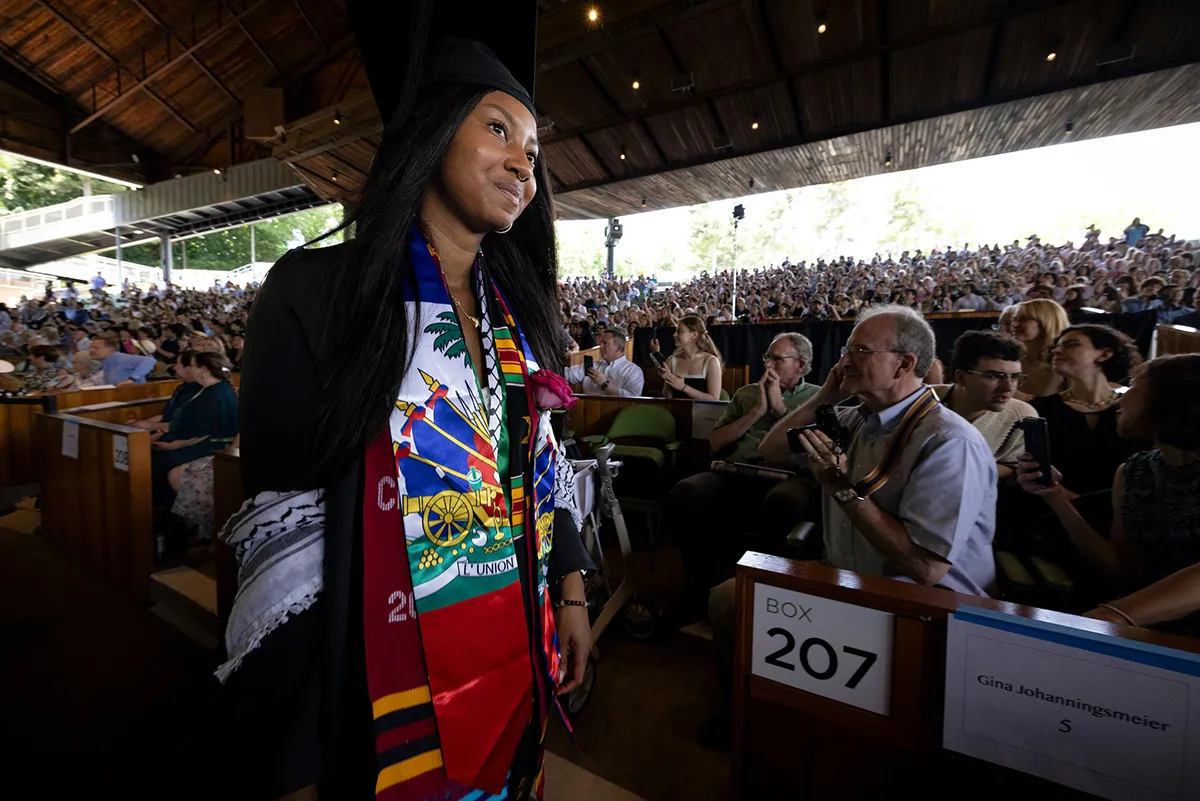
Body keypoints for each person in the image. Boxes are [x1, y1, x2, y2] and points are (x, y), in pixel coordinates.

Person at [220, 28, 593, 801]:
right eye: (498, 128)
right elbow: (284, 538)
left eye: (533, 148)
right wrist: (294, 760)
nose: (525, 162)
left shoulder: (516, 320)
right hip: (376, 684)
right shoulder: (317, 294)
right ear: (431, 130)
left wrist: (572, 590)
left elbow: (539, 474)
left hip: (516, 656)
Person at [760, 305, 998, 596]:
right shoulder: (853, 420)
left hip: (925, 604)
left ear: (904, 364)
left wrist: (842, 489)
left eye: (860, 351)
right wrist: (826, 396)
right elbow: (771, 450)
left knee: (735, 602)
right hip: (852, 584)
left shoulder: (950, 441)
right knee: (732, 599)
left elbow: (925, 568)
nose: (843, 362)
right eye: (845, 351)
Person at [1019, 355, 1200, 636]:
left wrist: (1114, 615)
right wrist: (1055, 497)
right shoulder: (1134, 472)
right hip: (1148, 629)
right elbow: (1123, 571)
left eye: (1132, 387)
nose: (1118, 399)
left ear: (1170, 398)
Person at [668, 333, 821, 607]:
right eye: (767, 357)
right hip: (739, 469)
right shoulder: (746, 393)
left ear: (801, 364)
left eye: (778, 359)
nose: (769, 365)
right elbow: (716, 442)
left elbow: (810, 451)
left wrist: (779, 409)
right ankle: (698, 582)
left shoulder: (817, 398)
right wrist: (758, 410)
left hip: (789, 474)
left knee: (782, 503)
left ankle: (769, 592)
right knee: (688, 491)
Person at [1031, 324, 1144, 497]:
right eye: (1057, 346)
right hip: (1055, 509)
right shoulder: (1041, 408)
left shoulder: (1132, 406)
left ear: (1104, 354)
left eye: (1071, 344)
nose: (1057, 351)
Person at [932, 331, 1036, 479]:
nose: (1008, 387)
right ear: (960, 377)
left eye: (1015, 377)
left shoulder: (1021, 416)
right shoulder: (921, 401)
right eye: (994, 376)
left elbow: (1013, 466)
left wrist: (960, 472)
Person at [151, 349, 238, 504]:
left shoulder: (215, 393)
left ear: (204, 369)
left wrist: (173, 446)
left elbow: (204, 432)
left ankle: (167, 510)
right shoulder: (209, 389)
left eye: (192, 366)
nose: (190, 369)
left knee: (164, 461)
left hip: (215, 443)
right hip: (203, 439)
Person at [653, 314, 724, 400]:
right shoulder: (672, 360)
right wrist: (668, 379)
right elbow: (667, 397)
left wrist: (683, 387)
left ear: (694, 335)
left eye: (679, 331)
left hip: (702, 412)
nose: (674, 335)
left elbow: (714, 399)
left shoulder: (711, 361)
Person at [1009, 299, 1069, 398]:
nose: (1014, 325)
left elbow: (1044, 405)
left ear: (1046, 322)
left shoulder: (1058, 364)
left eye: (1024, 319)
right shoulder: (1018, 357)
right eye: (1014, 320)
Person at [563, 328, 642, 396]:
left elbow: (633, 398)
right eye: (600, 343)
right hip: (586, 409)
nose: (600, 347)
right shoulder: (593, 365)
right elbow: (567, 374)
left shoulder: (633, 371)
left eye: (605, 343)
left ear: (618, 348)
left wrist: (605, 384)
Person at [88, 332, 156, 385]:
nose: (91, 350)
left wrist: (132, 379)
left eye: (95, 348)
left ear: (111, 349)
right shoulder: (106, 363)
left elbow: (150, 360)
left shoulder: (123, 358)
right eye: (90, 348)